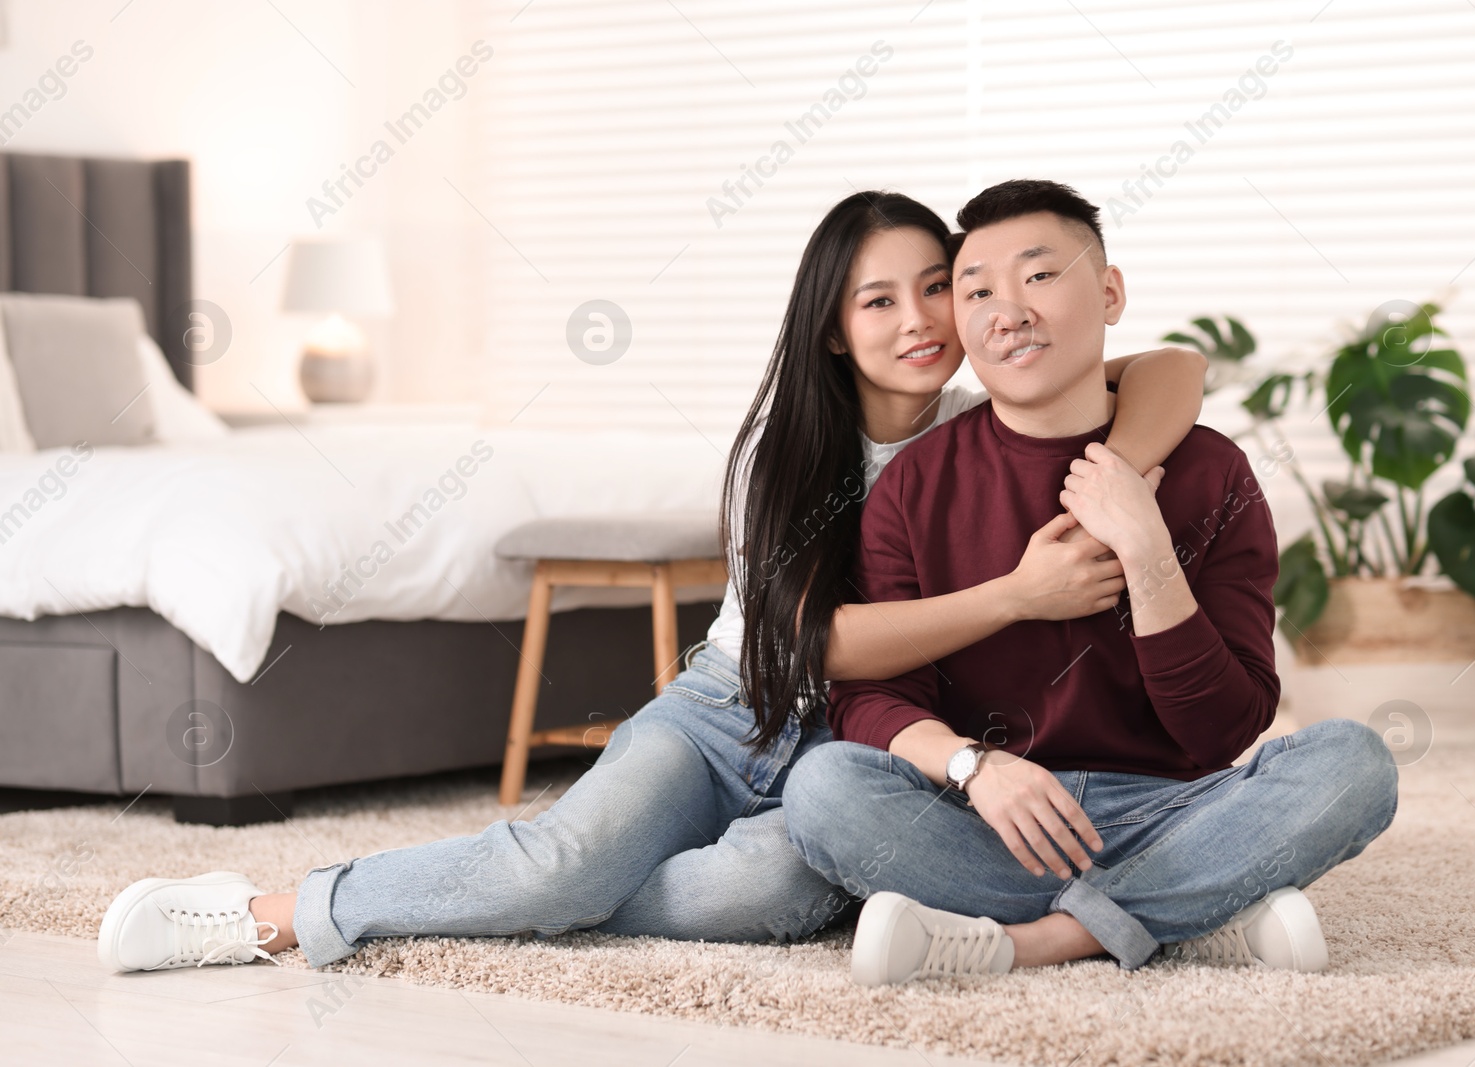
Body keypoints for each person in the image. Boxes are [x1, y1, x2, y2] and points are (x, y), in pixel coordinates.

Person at [96, 191, 1207, 973]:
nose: (919, 321)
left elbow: (1171, 367)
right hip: (728, 714)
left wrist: (1112, 491)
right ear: (830, 326)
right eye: (878, 301)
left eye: (935, 289)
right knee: (572, 858)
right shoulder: (789, 449)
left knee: (774, 894)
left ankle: (533, 892)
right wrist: (1017, 592)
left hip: (860, 752)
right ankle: (276, 911)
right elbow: (803, 648)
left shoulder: (988, 424)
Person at [781, 179, 1400, 987]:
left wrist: (1147, 551)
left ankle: (1040, 939)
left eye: (1039, 276)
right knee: (824, 787)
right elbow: (871, 695)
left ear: (1109, 293)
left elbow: (1225, 727)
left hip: (1175, 807)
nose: (1009, 310)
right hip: (996, 813)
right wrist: (979, 768)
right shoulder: (914, 483)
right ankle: (1197, 911)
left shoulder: (1213, 471)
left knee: (1355, 762)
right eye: (976, 290)